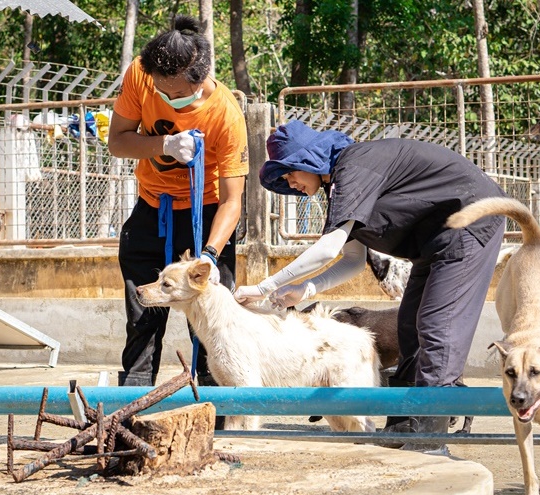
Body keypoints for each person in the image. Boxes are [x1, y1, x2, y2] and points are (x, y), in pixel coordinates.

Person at [233, 120, 505, 453]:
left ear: (308, 161)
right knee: (410, 327)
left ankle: (431, 441)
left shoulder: (354, 165)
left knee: (437, 329)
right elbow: (352, 258)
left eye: (290, 174)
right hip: (433, 240)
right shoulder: (343, 183)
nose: (291, 183)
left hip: (471, 219)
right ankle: (406, 428)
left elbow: (329, 249)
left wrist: (264, 287)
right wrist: (305, 290)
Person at [108, 15, 248, 389]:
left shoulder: (225, 114)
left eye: (169, 92)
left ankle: (215, 417)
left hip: (206, 216)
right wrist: (162, 144)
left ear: (197, 81)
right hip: (153, 208)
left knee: (212, 322)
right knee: (142, 319)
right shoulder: (142, 74)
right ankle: (131, 411)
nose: (162, 97)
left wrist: (211, 255)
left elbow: (233, 202)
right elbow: (117, 141)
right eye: (157, 89)